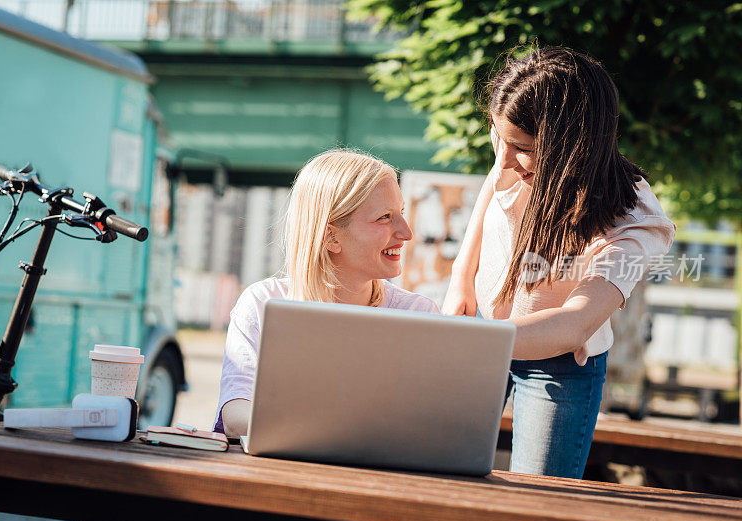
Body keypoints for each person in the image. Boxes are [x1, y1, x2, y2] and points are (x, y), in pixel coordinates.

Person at [442, 47, 676, 479]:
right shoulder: (515, 150)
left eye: (522, 149)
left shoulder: (636, 224)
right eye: (501, 140)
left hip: (559, 365)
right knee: (438, 474)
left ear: (572, 148)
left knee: (536, 501)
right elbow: (492, 192)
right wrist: (461, 277)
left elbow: (575, 323)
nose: (505, 160)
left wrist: (472, 340)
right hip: (482, 336)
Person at [214, 149, 439, 438]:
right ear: (331, 236)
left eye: (401, 214)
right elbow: (235, 416)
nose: (406, 232)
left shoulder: (420, 316)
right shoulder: (262, 304)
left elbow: (432, 426)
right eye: (385, 217)